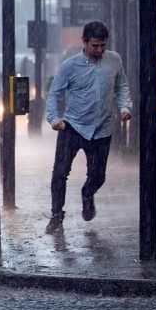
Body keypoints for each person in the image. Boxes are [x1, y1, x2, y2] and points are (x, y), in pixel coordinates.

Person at [44, 21, 132, 234]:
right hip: (72, 126)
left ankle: (87, 193)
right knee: (60, 172)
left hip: (102, 128)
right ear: (84, 42)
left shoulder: (114, 60)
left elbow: (121, 86)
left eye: (103, 45)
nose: (99, 50)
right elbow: (54, 94)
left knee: (98, 175)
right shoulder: (69, 66)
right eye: (95, 45)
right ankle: (56, 214)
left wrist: (124, 106)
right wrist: (54, 118)